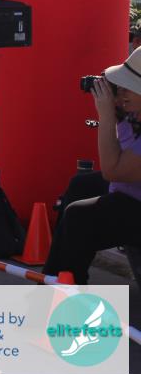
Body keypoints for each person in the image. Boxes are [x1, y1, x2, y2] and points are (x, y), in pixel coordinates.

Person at [43, 51, 141, 284]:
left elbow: (113, 171)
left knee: (79, 216)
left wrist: (107, 116)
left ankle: (70, 292)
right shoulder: (134, 114)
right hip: (133, 191)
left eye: (128, 87)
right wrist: (118, 112)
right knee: (80, 185)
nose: (121, 92)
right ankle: (53, 279)